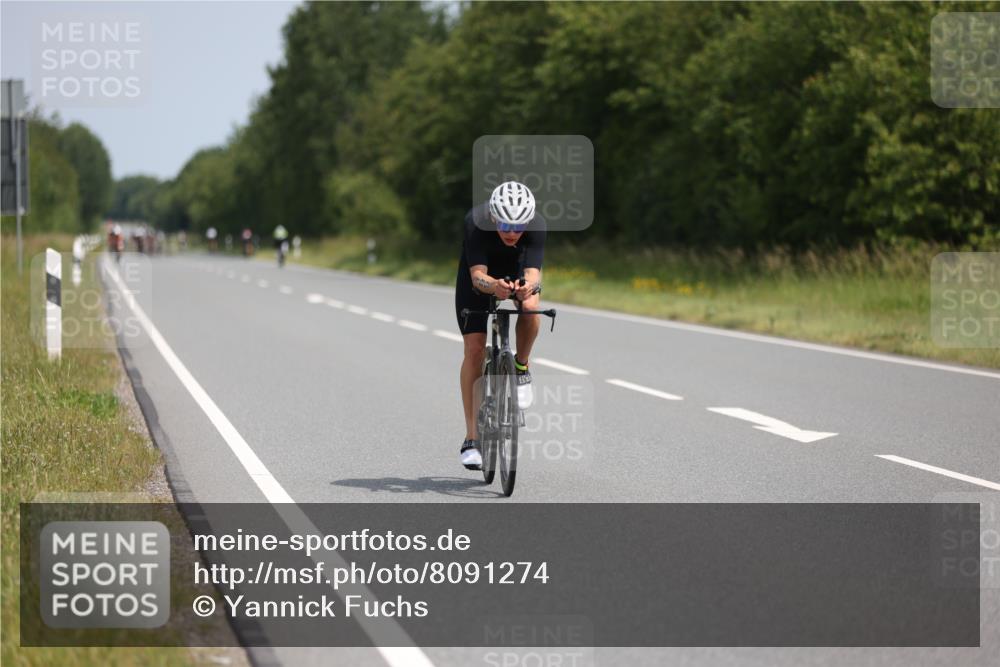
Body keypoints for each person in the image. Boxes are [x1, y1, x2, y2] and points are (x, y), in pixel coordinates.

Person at [455, 181, 545, 470]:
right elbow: (477, 277)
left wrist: (525, 289)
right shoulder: (476, 222)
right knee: (474, 349)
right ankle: (472, 439)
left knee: (531, 307)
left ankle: (521, 368)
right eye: (505, 223)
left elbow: (533, 274)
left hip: (515, 269)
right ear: (494, 216)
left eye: (518, 226)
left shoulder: (536, 225)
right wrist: (494, 286)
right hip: (480, 276)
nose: (511, 231)